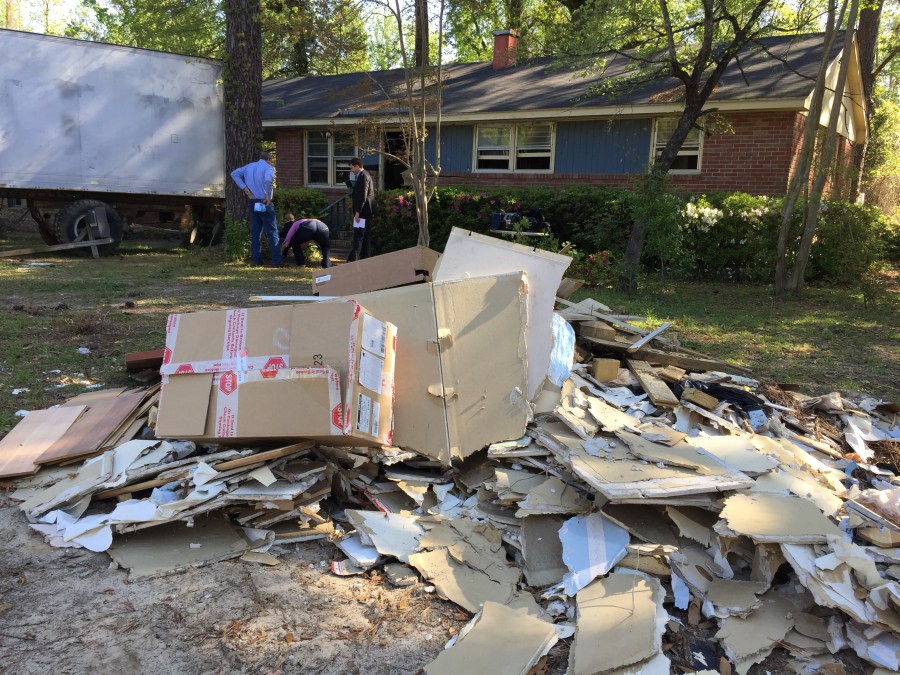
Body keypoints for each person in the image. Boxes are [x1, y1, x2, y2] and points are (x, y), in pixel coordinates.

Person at [230, 151, 282, 266]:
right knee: (272, 231)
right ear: (269, 159)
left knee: (256, 232)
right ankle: (276, 260)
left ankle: (256, 260)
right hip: (264, 201)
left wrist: (245, 189)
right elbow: (268, 180)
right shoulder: (269, 168)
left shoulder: (249, 167)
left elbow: (234, 174)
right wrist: (268, 196)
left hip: (253, 201)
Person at [347, 157, 375, 262]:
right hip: (367, 211)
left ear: (357, 166)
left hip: (362, 212)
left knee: (358, 236)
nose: (352, 170)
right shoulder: (366, 175)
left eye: (352, 168)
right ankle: (365, 258)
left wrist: (357, 212)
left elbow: (362, 196)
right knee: (366, 237)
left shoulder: (363, 176)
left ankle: (354, 259)